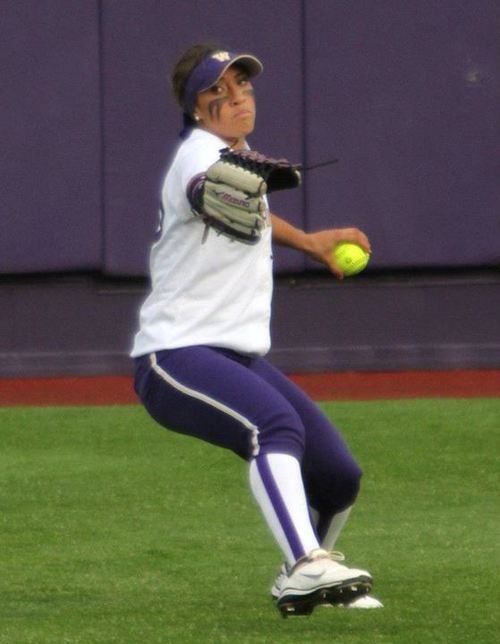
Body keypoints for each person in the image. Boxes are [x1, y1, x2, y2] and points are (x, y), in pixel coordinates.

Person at [131, 42, 382, 616]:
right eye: (218, 91)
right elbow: (207, 189)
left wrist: (311, 241)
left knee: (338, 475)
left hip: (235, 354)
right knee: (273, 426)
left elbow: (252, 205)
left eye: (242, 86)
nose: (237, 96)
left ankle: (317, 574)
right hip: (174, 355)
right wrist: (235, 185)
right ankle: (303, 566)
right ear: (198, 109)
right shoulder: (199, 156)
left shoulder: (236, 159)